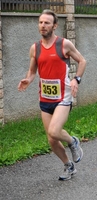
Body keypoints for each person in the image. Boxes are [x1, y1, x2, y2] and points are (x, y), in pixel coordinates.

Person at [18, 9, 86, 181]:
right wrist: (28, 79)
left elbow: (82, 61)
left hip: (63, 96)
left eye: (47, 22)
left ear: (54, 26)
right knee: (51, 139)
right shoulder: (35, 48)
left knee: (55, 131)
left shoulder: (64, 45)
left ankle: (73, 142)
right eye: (41, 22)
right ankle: (68, 166)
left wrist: (76, 79)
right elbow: (33, 71)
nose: (43, 25)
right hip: (45, 98)